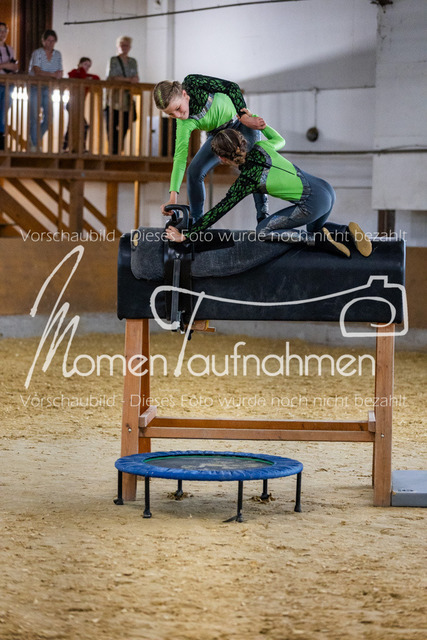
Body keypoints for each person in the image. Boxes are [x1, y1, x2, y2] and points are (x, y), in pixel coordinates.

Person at [165, 112, 372, 259]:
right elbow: (280, 139)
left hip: (313, 203)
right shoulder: (262, 146)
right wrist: (258, 121)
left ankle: (318, 241)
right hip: (326, 189)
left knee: (263, 231)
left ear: (222, 159)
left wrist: (186, 235)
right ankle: (345, 232)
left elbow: (218, 211)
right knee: (315, 228)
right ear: (242, 141)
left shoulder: (247, 180)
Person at [153, 75, 269, 223]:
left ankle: (263, 217)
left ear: (184, 94)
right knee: (194, 171)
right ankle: (197, 221)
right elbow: (179, 159)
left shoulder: (194, 84)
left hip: (241, 124)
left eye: (177, 108)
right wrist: (172, 198)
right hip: (218, 136)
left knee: (253, 166)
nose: (177, 115)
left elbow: (231, 87)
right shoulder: (184, 123)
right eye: (170, 114)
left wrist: (244, 117)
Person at [28, 29, 63, 150]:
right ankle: (35, 146)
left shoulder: (57, 54)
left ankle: (35, 140)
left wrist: (53, 75)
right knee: (34, 116)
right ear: (43, 41)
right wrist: (52, 75)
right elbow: (37, 71)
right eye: (48, 40)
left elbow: (60, 72)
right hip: (34, 86)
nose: (50, 43)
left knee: (49, 117)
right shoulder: (38, 53)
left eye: (53, 41)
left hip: (48, 87)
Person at [105, 36, 139, 154]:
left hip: (127, 98)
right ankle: (113, 150)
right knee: (112, 125)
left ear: (130, 47)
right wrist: (129, 80)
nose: (124, 48)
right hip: (114, 98)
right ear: (118, 46)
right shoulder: (113, 60)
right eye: (122, 45)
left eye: (126, 45)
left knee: (125, 125)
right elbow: (112, 77)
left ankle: (118, 148)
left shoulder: (133, 61)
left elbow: (136, 77)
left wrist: (128, 80)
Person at [63, 57, 100, 152]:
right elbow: (75, 76)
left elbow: (97, 78)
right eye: (85, 64)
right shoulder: (75, 73)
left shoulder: (86, 77)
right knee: (81, 125)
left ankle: (66, 146)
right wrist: (83, 72)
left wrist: (87, 76)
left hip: (79, 105)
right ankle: (74, 147)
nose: (87, 67)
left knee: (74, 126)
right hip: (72, 104)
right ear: (79, 64)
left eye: (89, 66)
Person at [0, 21, 18, 150]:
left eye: (4, 31)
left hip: (8, 84)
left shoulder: (10, 49)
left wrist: (4, 66)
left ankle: (1, 139)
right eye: (0, 31)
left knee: (4, 112)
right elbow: (9, 65)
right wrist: (6, 65)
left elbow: (14, 67)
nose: (2, 33)